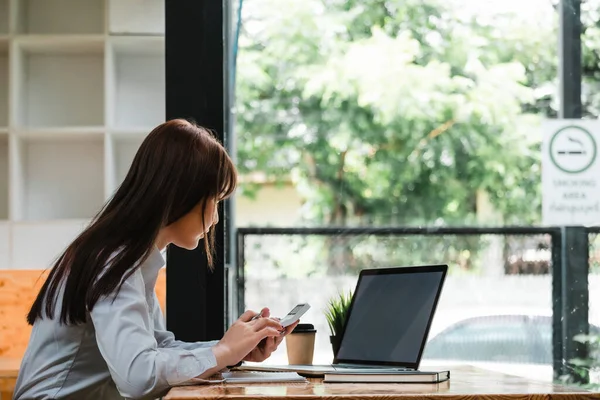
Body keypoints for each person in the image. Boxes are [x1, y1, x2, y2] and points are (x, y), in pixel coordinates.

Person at [13, 119, 297, 400]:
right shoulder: (114, 263)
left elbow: (157, 349)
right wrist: (223, 352)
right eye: (215, 199)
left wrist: (234, 349)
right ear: (183, 194)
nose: (215, 218)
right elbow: (138, 377)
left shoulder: (125, 255)